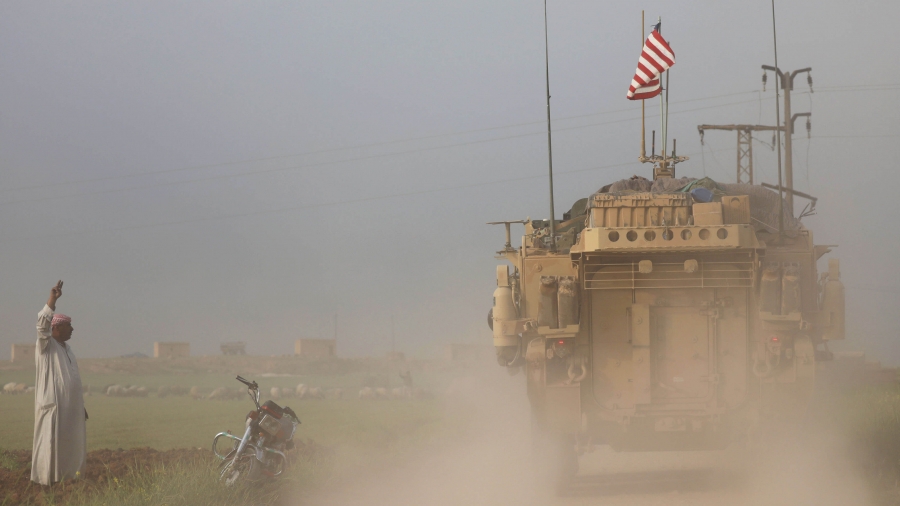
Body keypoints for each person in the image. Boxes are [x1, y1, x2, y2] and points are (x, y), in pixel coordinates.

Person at [31, 280, 87, 485]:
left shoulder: (67, 350)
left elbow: (72, 380)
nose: (72, 329)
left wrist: (80, 405)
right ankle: (46, 482)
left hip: (70, 408)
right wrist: (52, 300)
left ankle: (69, 479)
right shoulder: (46, 345)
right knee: (50, 443)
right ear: (55, 327)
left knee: (70, 444)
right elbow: (41, 325)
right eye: (68, 325)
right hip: (53, 406)